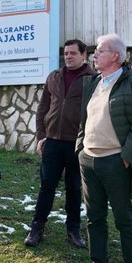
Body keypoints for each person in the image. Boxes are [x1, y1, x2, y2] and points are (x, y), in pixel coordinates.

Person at [74, 33, 132, 263]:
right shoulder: (94, 83)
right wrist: (80, 150)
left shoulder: (131, 83)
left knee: (123, 219)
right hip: (89, 161)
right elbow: (85, 120)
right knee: (94, 218)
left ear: (116, 56)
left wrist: (126, 157)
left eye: (100, 50)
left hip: (115, 162)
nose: (94, 54)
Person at [24, 39, 96, 248]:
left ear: (84, 55)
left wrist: (88, 141)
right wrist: (41, 136)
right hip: (53, 142)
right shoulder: (54, 76)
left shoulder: (92, 79)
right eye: (66, 53)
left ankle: (73, 230)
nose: (68, 56)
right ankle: (37, 227)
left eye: (73, 53)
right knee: (47, 186)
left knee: (74, 188)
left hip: (77, 143)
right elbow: (42, 108)